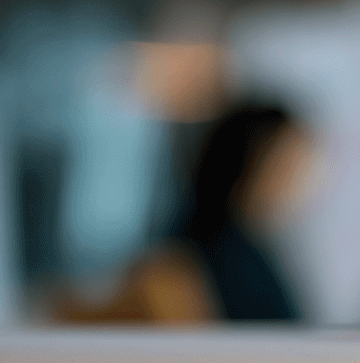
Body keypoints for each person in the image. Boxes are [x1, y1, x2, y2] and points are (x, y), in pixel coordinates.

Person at [55, 102, 313, 323]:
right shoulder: (185, 262)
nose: (299, 185)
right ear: (250, 163)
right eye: (287, 166)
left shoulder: (254, 250)